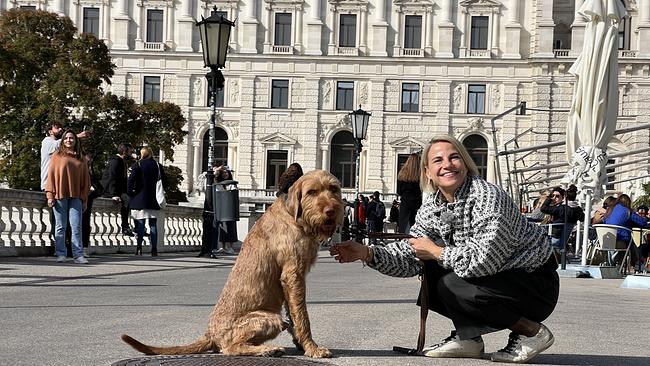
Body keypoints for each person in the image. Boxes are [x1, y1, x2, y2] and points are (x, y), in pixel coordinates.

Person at [331, 135, 558, 364]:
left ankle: (532, 332)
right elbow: (412, 253)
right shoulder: (434, 204)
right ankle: (469, 338)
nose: (447, 165)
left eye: (454, 157)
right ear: (428, 172)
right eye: (438, 160)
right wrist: (367, 253)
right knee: (432, 268)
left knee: (451, 279)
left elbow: (483, 262)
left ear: (466, 164)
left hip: (535, 284)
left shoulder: (487, 197)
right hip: (501, 280)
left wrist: (436, 251)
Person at [45, 130, 91, 264]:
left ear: (76, 141)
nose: (69, 140)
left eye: (71, 138)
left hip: (76, 197)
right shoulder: (57, 155)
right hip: (59, 196)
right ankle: (61, 253)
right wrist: (50, 195)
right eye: (66, 138)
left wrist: (84, 199)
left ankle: (78, 255)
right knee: (60, 226)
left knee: (76, 226)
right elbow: (51, 176)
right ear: (63, 140)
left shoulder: (81, 158)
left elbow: (85, 181)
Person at [127, 146, 166, 256]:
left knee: (140, 224)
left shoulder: (138, 165)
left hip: (139, 198)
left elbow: (130, 181)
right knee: (153, 224)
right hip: (153, 198)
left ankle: (139, 247)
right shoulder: (157, 165)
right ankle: (154, 249)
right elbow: (164, 181)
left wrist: (130, 194)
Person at [602, 194, 647, 270]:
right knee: (629, 242)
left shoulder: (609, 210)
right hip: (619, 241)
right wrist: (645, 218)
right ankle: (637, 264)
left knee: (629, 242)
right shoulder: (627, 211)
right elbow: (642, 222)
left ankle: (636, 263)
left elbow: (605, 221)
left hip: (605, 240)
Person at [101, 143, 135, 237]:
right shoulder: (115, 161)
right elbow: (112, 178)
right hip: (110, 190)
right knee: (127, 201)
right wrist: (113, 194)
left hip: (119, 190)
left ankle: (128, 226)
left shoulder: (122, 161)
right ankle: (125, 227)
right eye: (130, 151)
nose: (131, 153)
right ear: (124, 151)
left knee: (130, 200)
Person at [540, 185, 584, 250]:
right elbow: (582, 219)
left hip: (554, 238)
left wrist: (549, 197)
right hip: (564, 241)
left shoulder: (561, 209)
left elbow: (543, 208)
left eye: (557, 196)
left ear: (564, 197)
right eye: (553, 196)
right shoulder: (578, 210)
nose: (554, 198)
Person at [213, 165, 238, 255]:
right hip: (222, 209)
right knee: (223, 227)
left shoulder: (232, 184)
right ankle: (222, 246)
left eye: (226, 172)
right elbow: (213, 177)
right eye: (223, 173)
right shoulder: (218, 183)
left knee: (231, 228)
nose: (225, 174)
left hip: (230, 209)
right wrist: (218, 170)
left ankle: (230, 247)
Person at [82, 150, 103, 256]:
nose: (90, 160)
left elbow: (100, 189)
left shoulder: (89, 171)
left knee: (84, 224)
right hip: (79, 199)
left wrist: (91, 192)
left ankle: (83, 248)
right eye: (88, 157)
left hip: (87, 200)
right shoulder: (80, 169)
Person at [397, 153, 422, 234]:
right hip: (417, 205)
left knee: (404, 229)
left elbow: (399, 191)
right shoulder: (421, 175)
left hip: (405, 205)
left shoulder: (402, 175)